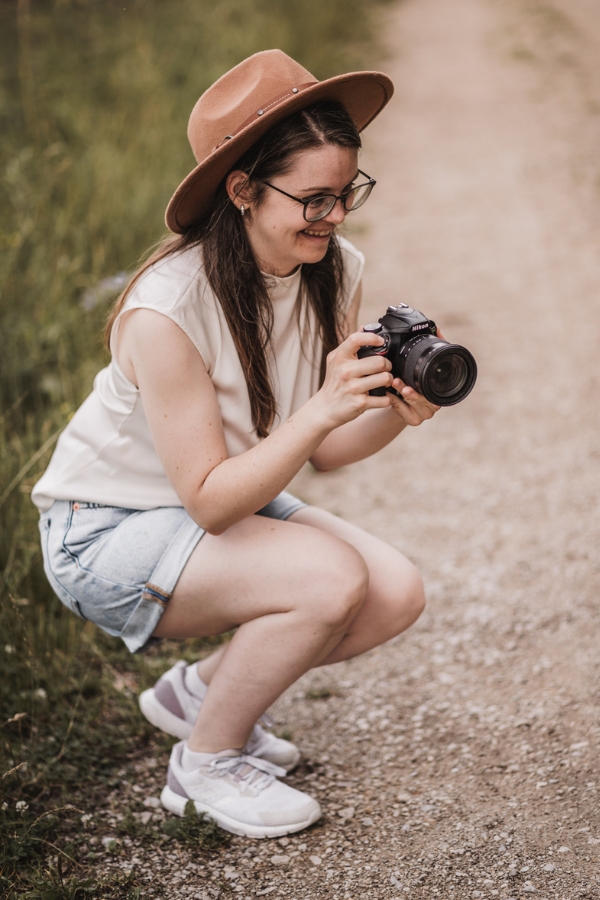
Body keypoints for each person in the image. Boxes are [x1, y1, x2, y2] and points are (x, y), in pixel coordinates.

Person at [32, 50, 441, 839]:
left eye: (347, 193)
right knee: (328, 581)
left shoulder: (329, 266)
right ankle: (204, 767)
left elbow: (322, 450)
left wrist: (395, 407)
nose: (336, 217)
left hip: (220, 495)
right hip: (105, 529)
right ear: (244, 191)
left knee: (395, 592)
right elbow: (212, 500)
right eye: (313, 199)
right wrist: (321, 412)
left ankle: (199, 697)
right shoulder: (168, 309)